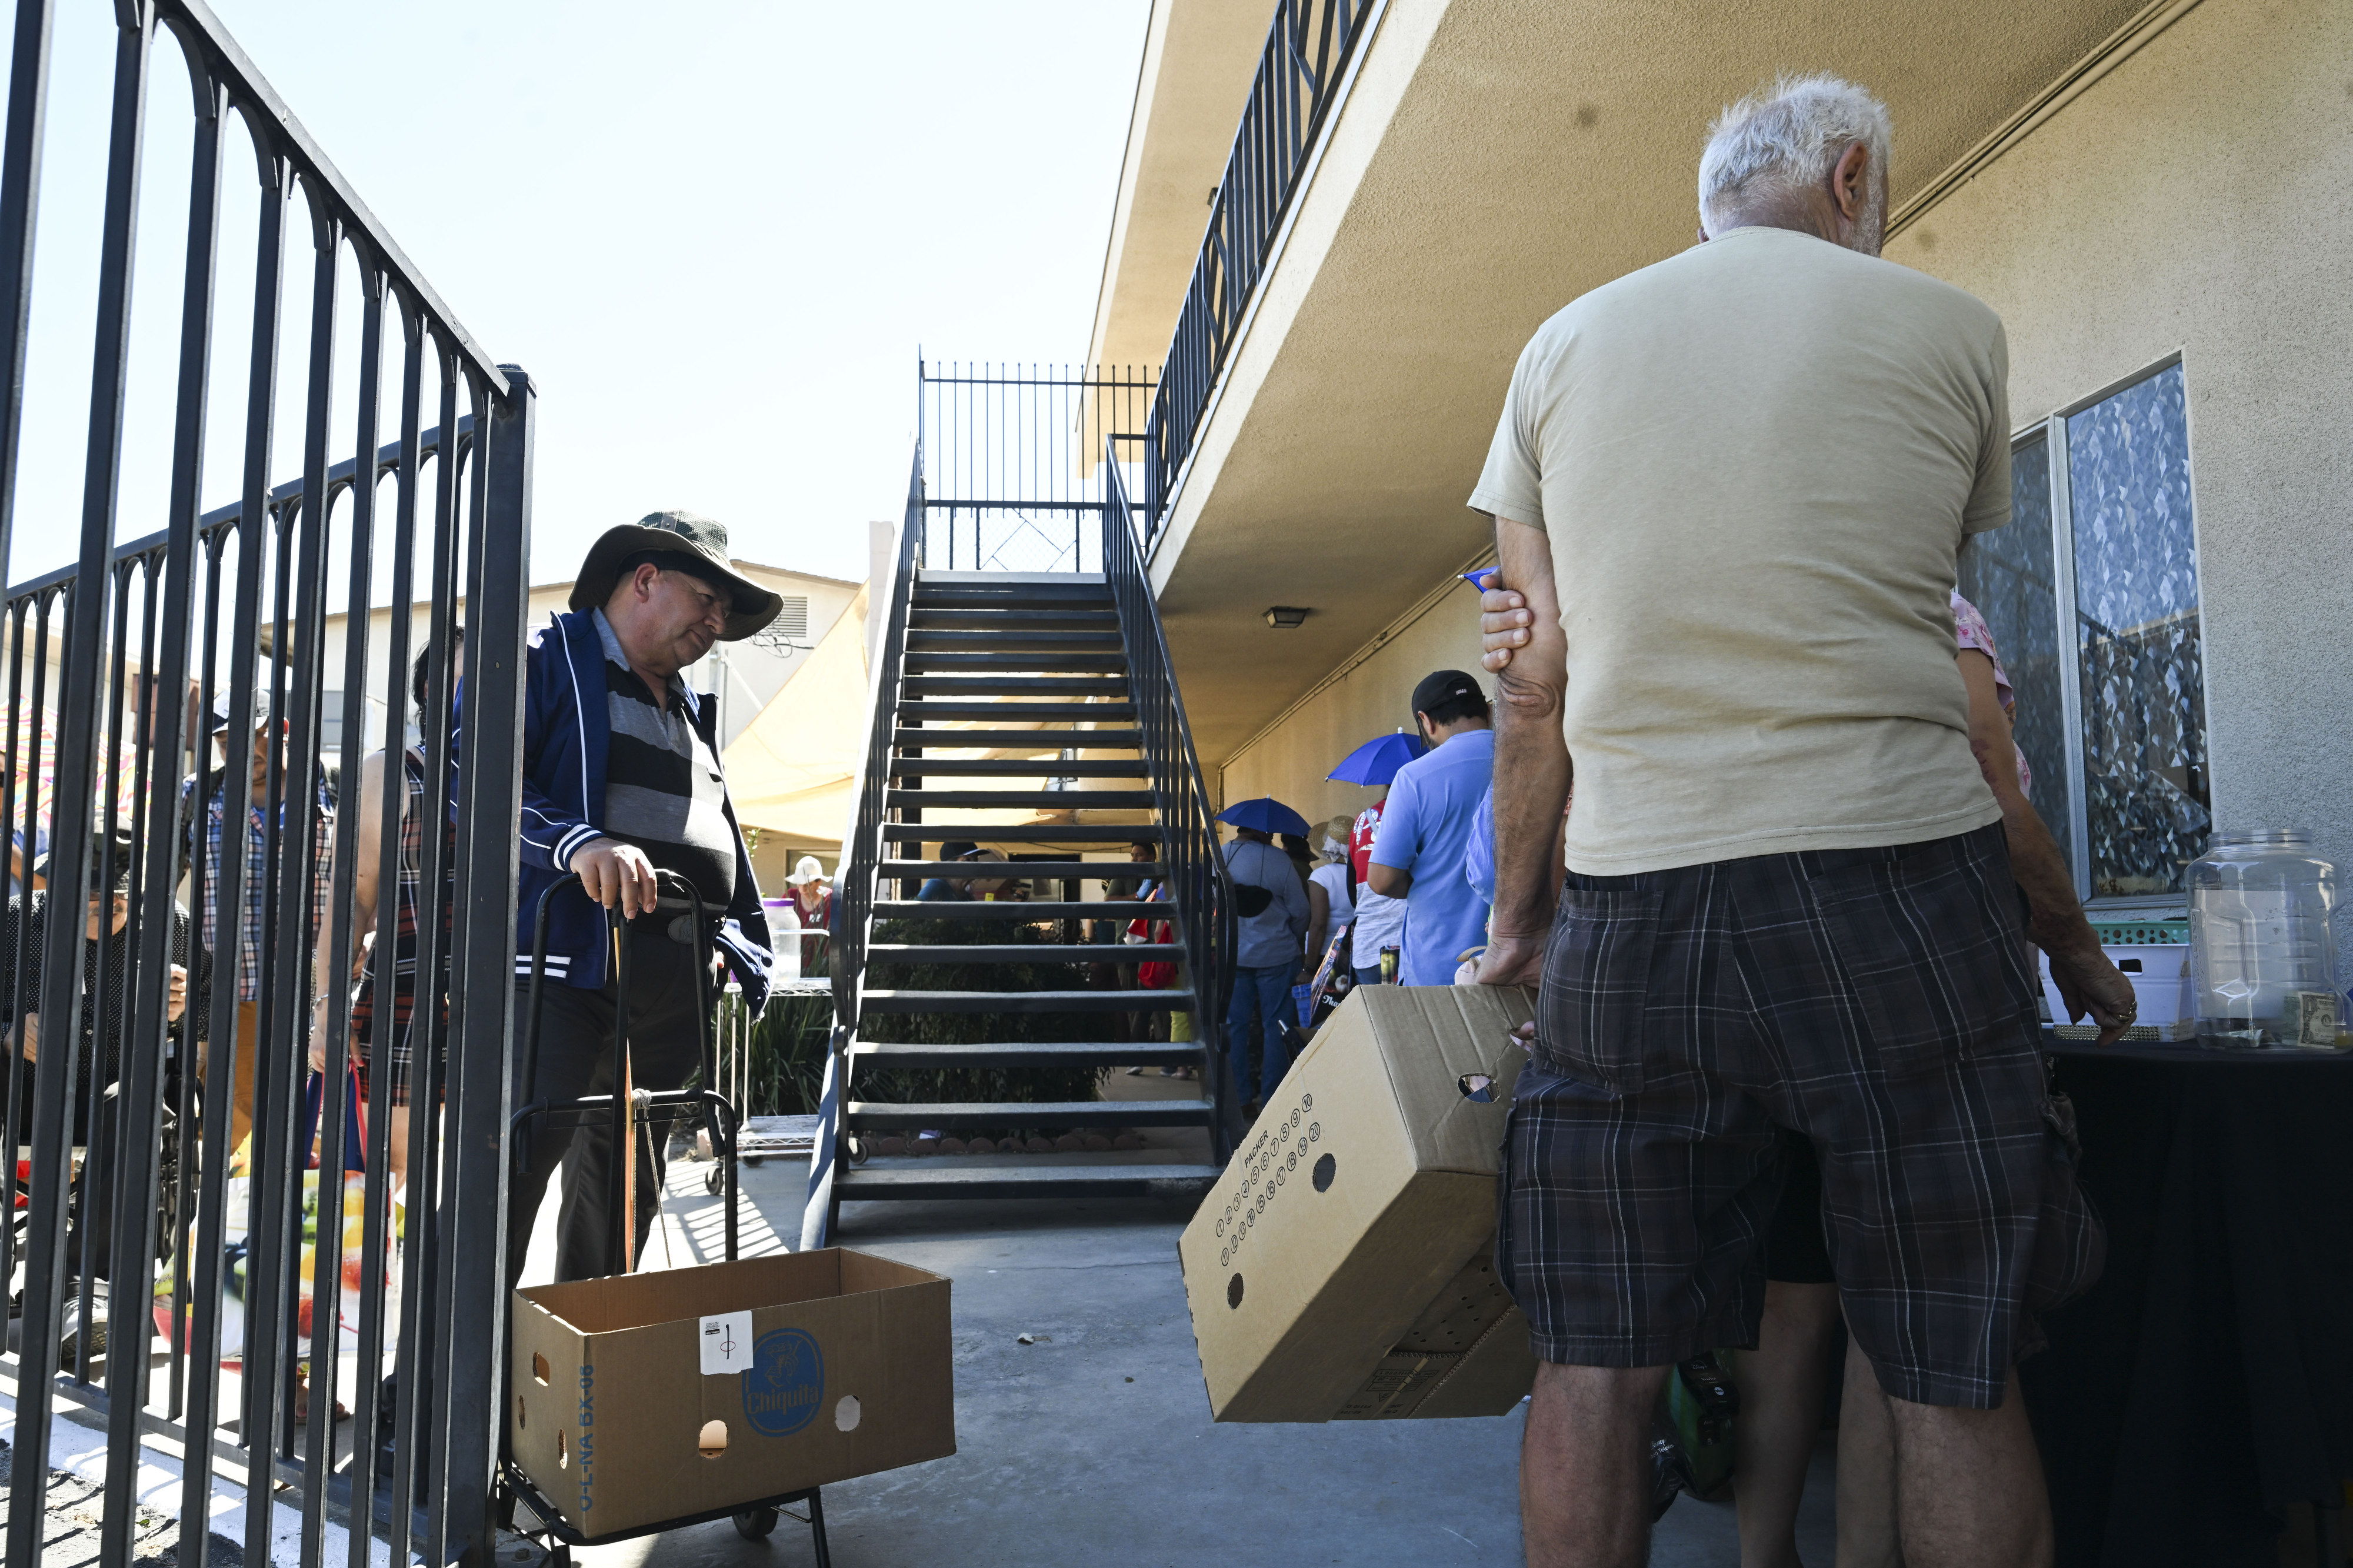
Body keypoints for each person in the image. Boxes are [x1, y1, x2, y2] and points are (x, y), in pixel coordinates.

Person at [1465, 76, 2133, 1568]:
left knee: (1591, 1355)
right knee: (1953, 1359)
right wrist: (2070, 939)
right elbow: (1963, 703)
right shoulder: (1953, 333)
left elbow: (1533, 687)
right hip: (1901, 889)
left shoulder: (1556, 351)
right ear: (1850, 179)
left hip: (1636, 907)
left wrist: (1517, 922)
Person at [506, 511, 779, 1287]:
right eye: (709, 598)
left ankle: (581, 1377)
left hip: (670, 984)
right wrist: (579, 844)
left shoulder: (690, 707)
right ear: (647, 580)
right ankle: (439, 1397)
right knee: (509, 1181)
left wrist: (733, 938)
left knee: (622, 1192)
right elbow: (481, 781)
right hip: (568, 971)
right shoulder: (543, 662)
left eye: (726, 610)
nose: (719, 622)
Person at [2, 828, 204, 1359]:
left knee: (141, 1102)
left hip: (119, 1086)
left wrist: (177, 1019)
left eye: (117, 902)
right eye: (91, 901)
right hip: (23, 1086)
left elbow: (202, 1027)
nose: (105, 913)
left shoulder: (172, 929)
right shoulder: (22, 918)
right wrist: (7, 1029)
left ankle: (84, 1290)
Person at [308, 634, 463, 1191]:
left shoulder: (533, 780)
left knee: (488, 1192)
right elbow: (353, 898)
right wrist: (328, 1012)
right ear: (430, 689)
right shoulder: (393, 772)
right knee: (398, 1187)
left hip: (514, 1003)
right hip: (408, 1001)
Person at [185, 693, 337, 1156]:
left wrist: (366, 940)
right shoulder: (197, 795)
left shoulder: (335, 787)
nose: (243, 750)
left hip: (321, 991)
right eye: (227, 742)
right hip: (234, 991)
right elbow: (156, 888)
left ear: (283, 729)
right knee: (235, 1130)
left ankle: (303, 1226)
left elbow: (372, 875)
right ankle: (225, 1227)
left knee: (316, 1127)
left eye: (255, 735)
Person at [1364, 671, 1495, 986]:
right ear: (1488, 710)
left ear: (1426, 721)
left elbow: (1381, 881)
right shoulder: (1536, 759)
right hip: (1526, 955)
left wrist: (1433, 882)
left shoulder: (1414, 777)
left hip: (1440, 963)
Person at [1222, 819, 1307, 1115]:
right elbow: (1300, 911)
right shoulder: (1279, 859)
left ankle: (1240, 1098)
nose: (1272, 834)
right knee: (1277, 1027)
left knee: (1235, 1026)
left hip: (1234, 955)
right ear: (1260, 830)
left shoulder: (1220, 856)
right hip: (1277, 955)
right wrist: (1290, 939)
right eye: (1269, 830)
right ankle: (1273, 1102)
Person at [1348, 795, 1406, 985]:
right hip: (1401, 942)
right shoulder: (1410, 813)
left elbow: (1352, 891)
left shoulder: (1363, 819)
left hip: (1366, 943)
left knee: (1374, 1013)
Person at [1304, 816, 1355, 978]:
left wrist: (1309, 967)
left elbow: (1318, 924)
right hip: (1358, 951)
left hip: (1327, 953)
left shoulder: (1321, 877)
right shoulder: (1366, 874)